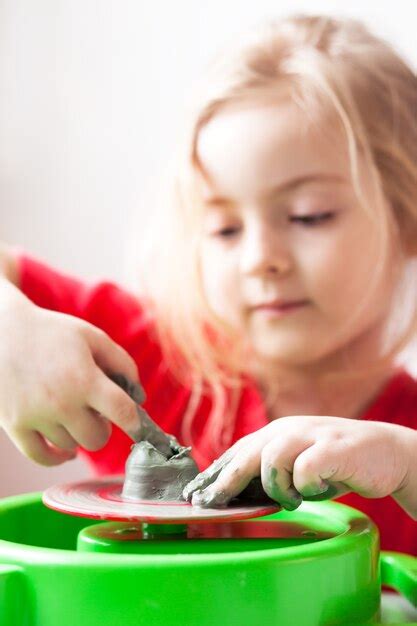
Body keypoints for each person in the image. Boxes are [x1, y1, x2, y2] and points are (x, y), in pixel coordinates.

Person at [0, 14, 416, 554]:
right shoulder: (143, 362)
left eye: (309, 216)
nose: (260, 259)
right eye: (224, 228)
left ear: (407, 217)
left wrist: (405, 465)